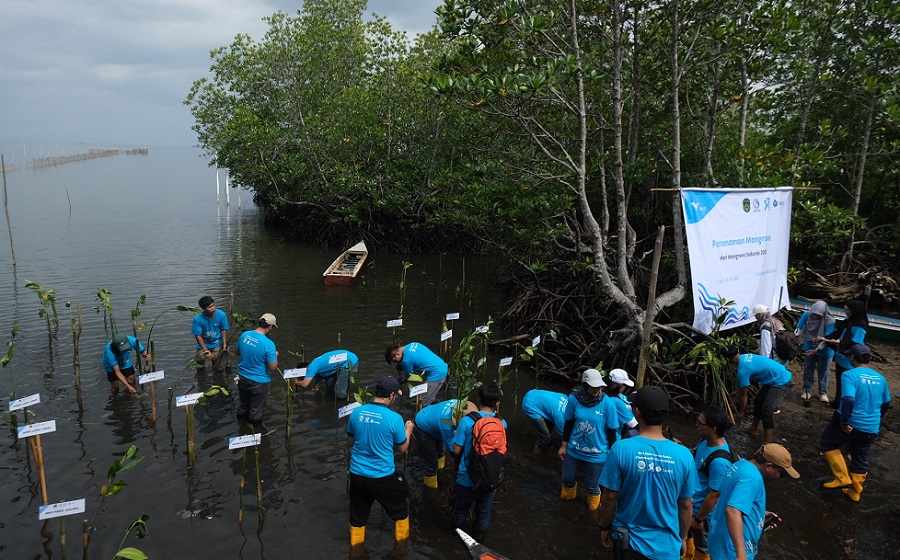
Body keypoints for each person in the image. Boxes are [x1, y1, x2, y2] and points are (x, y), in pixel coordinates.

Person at [599, 385, 697, 560]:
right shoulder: (684, 455)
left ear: (637, 412)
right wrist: (683, 538)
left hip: (630, 544)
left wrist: (604, 526)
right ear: (665, 414)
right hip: (668, 548)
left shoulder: (621, 448)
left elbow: (609, 496)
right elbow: (686, 504)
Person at [347, 376, 414, 550]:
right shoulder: (394, 418)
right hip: (382, 476)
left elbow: (350, 441)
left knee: (358, 518)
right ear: (391, 395)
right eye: (395, 395)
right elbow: (402, 448)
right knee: (400, 513)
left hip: (357, 474)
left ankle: (356, 552)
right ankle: (401, 551)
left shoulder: (356, 412)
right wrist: (408, 430)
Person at [819, 344, 891, 502]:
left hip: (852, 422)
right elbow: (886, 403)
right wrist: (878, 418)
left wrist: (844, 421)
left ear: (852, 357)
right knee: (860, 457)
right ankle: (855, 492)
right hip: (871, 427)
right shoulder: (881, 378)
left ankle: (841, 478)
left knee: (828, 442)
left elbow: (849, 400)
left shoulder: (849, 375)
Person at [559, 369, 637, 511]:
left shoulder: (608, 403)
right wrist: (564, 445)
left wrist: (612, 454)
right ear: (585, 385)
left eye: (599, 387)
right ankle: (565, 508)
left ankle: (593, 513)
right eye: (593, 387)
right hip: (574, 451)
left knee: (592, 486)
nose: (597, 390)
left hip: (597, 455)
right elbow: (569, 423)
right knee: (567, 480)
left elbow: (611, 431)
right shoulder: (574, 399)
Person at [707, 444, 799, 560]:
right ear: (769, 465)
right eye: (782, 473)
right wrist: (741, 554)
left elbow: (730, 497)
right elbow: (732, 511)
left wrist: (759, 513)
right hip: (730, 551)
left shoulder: (741, 465)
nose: (780, 477)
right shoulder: (752, 478)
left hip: (719, 540)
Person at [452, 382, 507, 540]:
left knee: (460, 510)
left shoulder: (467, 421)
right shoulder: (502, 423)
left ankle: (456, 538)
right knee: (483, 512)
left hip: (467, 477)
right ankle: (479, 539)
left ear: (478, 399)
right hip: (491, 476)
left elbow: (456, 450)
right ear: (497, 403)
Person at [685, 406, 735, 560]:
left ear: (713, 428)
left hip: (701, 514)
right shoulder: (704, 441)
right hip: (690, 505)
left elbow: (714, 495)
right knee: (687, 539)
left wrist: (699, 519)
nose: (697, 426)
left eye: (701, 424)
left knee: (703, 548)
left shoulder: (719, 462)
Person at [723, 349, 792, 445]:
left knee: (766, 411)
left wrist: (741, 412)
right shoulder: (745, 357)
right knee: (758, 401)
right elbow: (746, 383)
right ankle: (753, 429)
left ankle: (766, 445)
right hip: (775, 376)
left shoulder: (743, 370)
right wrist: (738, 392)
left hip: (781, 381)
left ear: (728, 359)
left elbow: (744, 396)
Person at [413, 398, 476, 488]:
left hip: (435, 422)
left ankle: (440, 473)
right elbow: (454, 451)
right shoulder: (447, 426)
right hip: (422, 426)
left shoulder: (458, 404)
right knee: (431, 463)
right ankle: (431, 490)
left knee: (440, 452)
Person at [821, 300, 868, 408]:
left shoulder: (860, 326)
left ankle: (844, 404)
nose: (846, 312)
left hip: (850, 359)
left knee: (847, 383)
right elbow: (837, 333)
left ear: (854, 311)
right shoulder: (848, 321)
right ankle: (837, 401)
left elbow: (856, 343)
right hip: (840, 356)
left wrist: (839, 342)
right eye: (845, 309)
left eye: (847, 310)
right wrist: (824, 339)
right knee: (840, 380)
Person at [235, 313, 278, 431]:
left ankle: (241, 428)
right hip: (259, 381)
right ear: (270, 327)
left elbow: (237, 351)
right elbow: (273, 367)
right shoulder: (269, 344)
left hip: (242, 377)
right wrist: (275, 356)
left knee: (243, 406)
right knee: (256, 412)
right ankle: (255, 433)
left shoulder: (244, 335)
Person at [796, 300, 836, 403]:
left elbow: (827, 338)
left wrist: (817, 349)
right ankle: (807, 390)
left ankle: (823, 393)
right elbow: (798, 329)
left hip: (825, 348)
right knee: (808, 368)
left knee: (824, 371)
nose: (814, 317)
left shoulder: (830, 320)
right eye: (813, 314)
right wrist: (796, 340)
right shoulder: (807, 315)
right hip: (809, 344)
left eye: (818, 316)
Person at [521, 389, 568, 454]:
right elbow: (563, 438)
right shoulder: (562, 419)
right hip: (530, 405)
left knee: (550, 426)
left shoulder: (569, 400)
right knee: (545, 437)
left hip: (534, 394)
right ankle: (535, 454)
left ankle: (543, 437)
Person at [191, 295, 230, 373]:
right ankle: (201, 375)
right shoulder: (198, 319)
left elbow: (224, 330)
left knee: (217, 362)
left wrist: (225, 344)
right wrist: (206, 351)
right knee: (200, 362)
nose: (212, 308)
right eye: (209, 307)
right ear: (203, 308)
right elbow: (198, 336)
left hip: (217, 342)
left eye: (213, 305)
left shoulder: (221, 314)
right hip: (204, 343)